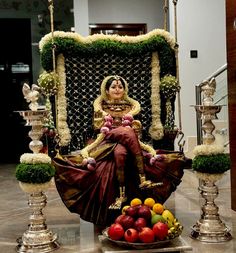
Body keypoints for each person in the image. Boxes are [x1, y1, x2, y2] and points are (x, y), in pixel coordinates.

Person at [53, 75, 188, 226]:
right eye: (113, 87)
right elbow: (97, 128)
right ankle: (143, 179)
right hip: (108, 138)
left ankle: (122, 196)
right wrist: (109, 121)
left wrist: (134, 127)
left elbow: (137, 129)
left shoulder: (131, 107)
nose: (117, 89)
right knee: (127, 132)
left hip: (127, 143)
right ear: (106, 90)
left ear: (125, 90)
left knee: (121, 154)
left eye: (120, 86)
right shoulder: (100, 107)